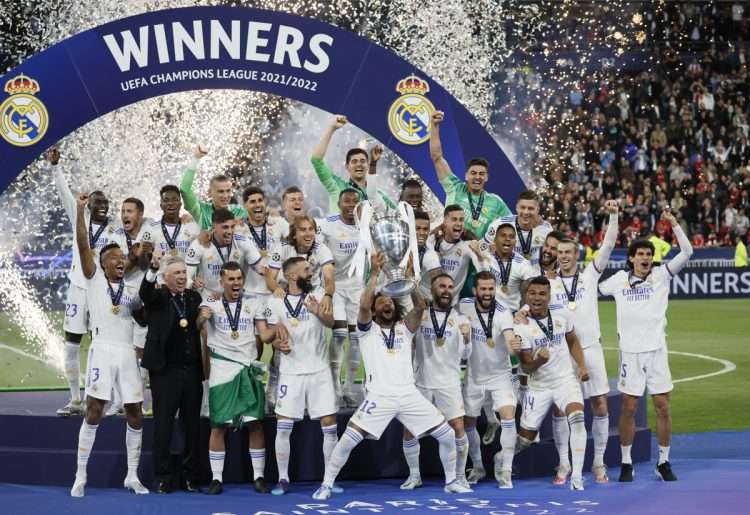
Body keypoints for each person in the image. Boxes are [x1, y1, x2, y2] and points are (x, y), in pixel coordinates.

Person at [311, 252, 471, 500]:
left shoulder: (404, 329)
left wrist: (411, 282)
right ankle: (326, 484)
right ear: (374, 310)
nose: (387, 304)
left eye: (390, 301)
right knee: (347, 441)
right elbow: (363, 305)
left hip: (409, 394)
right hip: (379, 397)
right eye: (382, 302)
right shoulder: (367, 330)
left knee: (448, 434)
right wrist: (374, 274)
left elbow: (420, 307)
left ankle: (451, 480)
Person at [598, 209, 693, 483]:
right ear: (631, 258)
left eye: (648, 254)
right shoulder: (617, 280)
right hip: (629, 352)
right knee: (628, 407)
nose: (645, 258)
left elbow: (686, 252)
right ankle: (627, 462)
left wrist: (674, 223)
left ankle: (663, 462)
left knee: (663, 405)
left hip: (657, 351)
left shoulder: (662, 275)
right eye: (640, 254)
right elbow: (592, 287)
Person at [69, 194, 147, 497]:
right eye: (113, 258)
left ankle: (132, 476)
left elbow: (141, 320)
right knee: (94, 411)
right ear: (102, 264)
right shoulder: (93, 280)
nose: (119, 261)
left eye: (122, 259)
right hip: (102, 350)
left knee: (135, 413)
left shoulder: (131, 289)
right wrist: (79, 211)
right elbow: (83, 244)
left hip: (127, 353)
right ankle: (80, 476)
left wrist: (144, 309)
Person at [546, 200, 619, 484]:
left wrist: (613, 215)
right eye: (560, 252)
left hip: (591, 349)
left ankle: (598, 463)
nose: (563, 256)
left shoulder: (589, 275)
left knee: (599, 404)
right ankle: (563, 464)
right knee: (559, 408)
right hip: (561, 354)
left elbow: (609, 245)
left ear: (577, 254)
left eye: (568, 252)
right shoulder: (549, 284)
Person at [258, 257, 339, 496]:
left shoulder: (319, 295)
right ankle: (283, 478)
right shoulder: (274, 303)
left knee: (329, 425)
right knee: (283, 427)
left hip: (319, 370)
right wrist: (278, 341)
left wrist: (318, 312)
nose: (311, 272)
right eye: (306, 270)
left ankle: (329, 479)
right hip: (291, 371)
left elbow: (332, 323)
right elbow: (270, 335)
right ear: (292, 276)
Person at [49, 148, 117, 417]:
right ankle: (75, 399)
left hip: (102, 292)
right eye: (97, 203)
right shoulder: (79, 217)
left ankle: (99, 397)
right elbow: (65, 194)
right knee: (71, 342)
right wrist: (56, 168)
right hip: (78, 288)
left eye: (105, 204)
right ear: (88, 205)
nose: (101, 206)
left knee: (103, 344)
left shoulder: (116, 229)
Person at [197, 262, 271, 495]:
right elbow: (198, 325)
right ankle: (216, 478)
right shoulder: (210, 302)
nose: (236, 283)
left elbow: (264, 334)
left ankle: (258, 476)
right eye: (231, 279)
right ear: (222, 281)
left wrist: (278, 333)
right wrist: (202, 318)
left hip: (248, 367)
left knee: (255, 423)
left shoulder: (254, 303)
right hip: (221, 369)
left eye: (239, 279)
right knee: (219, 424)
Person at [514, 276, 589, 491]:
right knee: (525, 440)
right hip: (538, 386)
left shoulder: (562, 314)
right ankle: (503, 458)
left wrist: (582, 366)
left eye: (542, 294)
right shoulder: (521, 326)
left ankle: (576, 476)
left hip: (565, 380)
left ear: (549, 296)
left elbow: (572, 340)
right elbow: (527, 368)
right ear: (527, 296)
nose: (537, 298)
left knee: (577, 418)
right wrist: (540, 360)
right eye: (533, 293)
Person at [139, 252, 204, 494]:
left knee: (191, 426)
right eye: (177, 273)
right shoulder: (158, 297)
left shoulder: (193, 297)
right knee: (163, 426)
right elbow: (145, 293)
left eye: (184, 273)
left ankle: (191, 477)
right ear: (165, 277)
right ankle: (162, 477)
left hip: (192, 371)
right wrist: (152, 268)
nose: (182, 276)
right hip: (165, 372)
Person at [400, 274, 472, 491]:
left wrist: (467, 339)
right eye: (442, 286)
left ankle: (459, 476)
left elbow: (467, 355)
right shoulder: (420, 315)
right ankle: (414, 476)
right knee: (410, 430)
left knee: (458, 428)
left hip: (449, 383)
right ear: (432, 290)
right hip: (422, 382)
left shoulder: (461, 319)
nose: (446, 290)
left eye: (450, 286)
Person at [458, 271, 520, 488]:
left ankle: (506, 470)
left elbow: (509, 336)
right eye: (483, 289)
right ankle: (478, 467)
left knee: (508, 418)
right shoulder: (464, 306)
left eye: (490, 289)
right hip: (474, 377)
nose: (487, 293)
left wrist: (514, 344)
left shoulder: (503, 313)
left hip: (500, 376)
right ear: (475, 290)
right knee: (468, 424)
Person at [430, 110, 511, 236]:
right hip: (448, 249)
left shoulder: (495, 202)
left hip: (475, 252)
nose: (477, 177)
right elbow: (437, 157)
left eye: (481, 174)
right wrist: (434, 126)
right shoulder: (455, 187)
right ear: (466, 175)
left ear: (487, 177)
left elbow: (512, 226)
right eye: (473, 173)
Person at [318, 189, 364, 407]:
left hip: (356, 287)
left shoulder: (365, 224)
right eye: (347, 201)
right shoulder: (327, 223)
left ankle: (348, 388)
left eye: (355, 202)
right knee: (339, 334)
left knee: (356, 338)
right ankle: (335, 386)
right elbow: (311, 239)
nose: (350, 205)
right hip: (335, 285)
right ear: (339, 203)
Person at [311, 114, 394, 212]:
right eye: (354, 161)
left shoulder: (379, 196)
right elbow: (316, 160)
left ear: (367, 165)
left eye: (362, 161)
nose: (359, 164)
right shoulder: (337, 186)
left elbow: (400, 217)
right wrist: (331, 128)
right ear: (347, 166)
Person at [185, 208, 264, 299]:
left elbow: (261, 269)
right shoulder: (200, 244)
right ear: (214, 227)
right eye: (225, 227)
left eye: (232, 227)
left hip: (236, 297)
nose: (230, 231)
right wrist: (193, 284)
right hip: (209, 297)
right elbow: (187, 276)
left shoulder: (243, 242)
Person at [180, 146, 248, 230]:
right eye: (221, 191)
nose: (226, 195)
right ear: (210, 192)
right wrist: (196, 158)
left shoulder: (239, 211)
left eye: (228, 191)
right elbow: (184, 189)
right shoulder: (202, 211)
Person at [484, 190, 553, 271]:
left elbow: (553, 257)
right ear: (516, 207)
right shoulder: (498, 225)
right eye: (522, 207)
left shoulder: (546, 230)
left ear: (537, 210)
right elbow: (483, 248)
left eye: (530, 208)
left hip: (534, 279)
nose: (526, 212)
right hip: (506, 277)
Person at [431, 205, 485, 304]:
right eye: (454, 219)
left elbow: (483, 269)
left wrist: (478, 253)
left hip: (452, 304)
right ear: (445, 222)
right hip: (429, 300)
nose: (459, 223)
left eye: (461, 220)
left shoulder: (467, 246)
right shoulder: (433, 242)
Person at [475, 223, 536, 311]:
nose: (507, 239)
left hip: (511, 313)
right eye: (503, 235)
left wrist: (524, 311)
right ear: (495, 240)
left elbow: (534, 288)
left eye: (511, 237)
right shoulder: (486, 257)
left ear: (515, 242)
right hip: (486, 311)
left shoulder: (522, 264)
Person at [141, 185, 200, 259]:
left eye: (175, 200)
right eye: (166, 200)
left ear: (180, 204)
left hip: (185, 270)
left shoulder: (193, 228)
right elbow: (142, 263)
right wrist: (146, 254)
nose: (170, 203)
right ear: (161, 205)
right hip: (160, 270)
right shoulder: (150, 230)